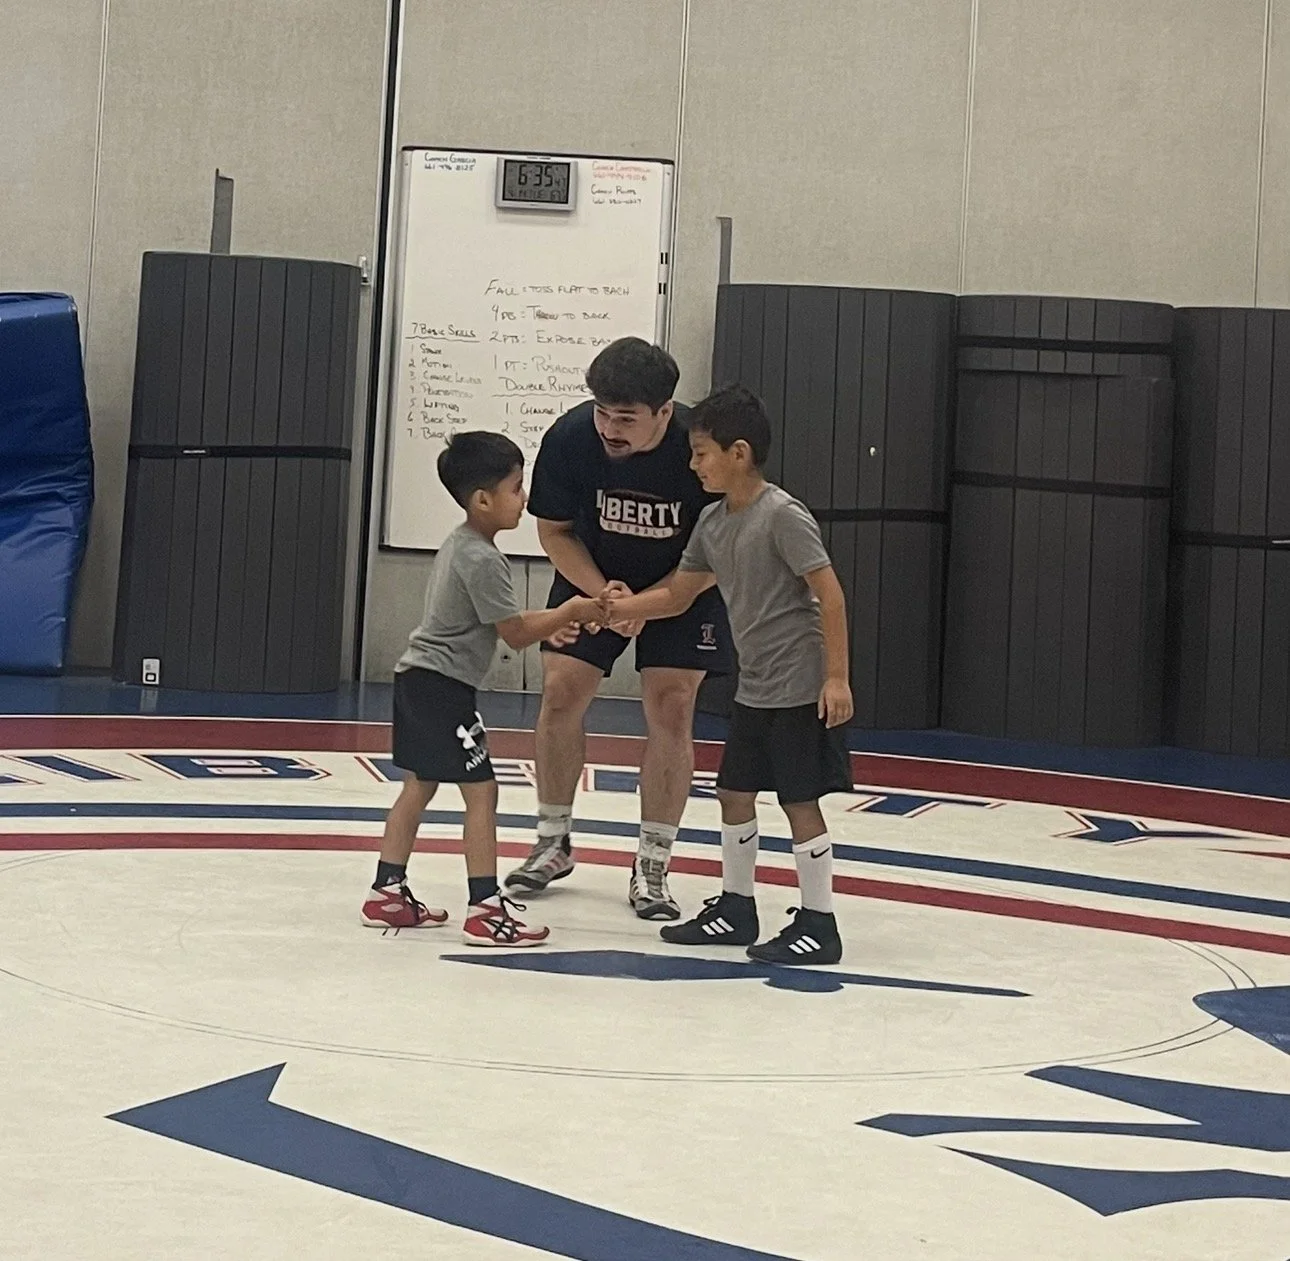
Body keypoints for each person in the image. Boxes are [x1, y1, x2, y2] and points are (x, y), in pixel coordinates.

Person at [601, 384, 855, 965]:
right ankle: (738, 909)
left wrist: (835, 678)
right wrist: (616, 608)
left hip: (798, 684)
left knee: (798, 799)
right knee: (734, 792)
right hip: (755, 684)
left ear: (738, 453)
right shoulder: (713, 523)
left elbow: (831, 595)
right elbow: (679, 594)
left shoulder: (783, 516)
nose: (693, 465)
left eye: (700, 454)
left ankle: (820, 922)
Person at [504, 338, 734, 920]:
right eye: (602, 412)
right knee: (560, 691)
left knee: (672, 704)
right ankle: (552, 841)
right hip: (595, 576)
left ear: (665, 412)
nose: (609, 427)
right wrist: (601, 595)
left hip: (684, 582)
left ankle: (653, 863)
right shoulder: (569, 437)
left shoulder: (697, 450)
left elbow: (714, 555)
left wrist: (649, 604)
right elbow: (555, 532)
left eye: (626, 418)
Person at [361, 431, 603, 946]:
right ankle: (484, 909)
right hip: (444, 688)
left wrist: (549, 623)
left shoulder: (461, 543)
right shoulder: (483, 558)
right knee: (482, 792)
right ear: (483, 500)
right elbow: (514, 634)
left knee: (419, 785)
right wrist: (571, 610)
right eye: (517, 488)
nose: (525, 499)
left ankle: (387, 889)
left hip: (418, 680)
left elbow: (504, 622)